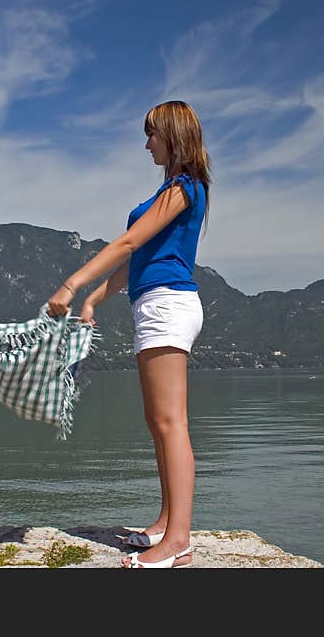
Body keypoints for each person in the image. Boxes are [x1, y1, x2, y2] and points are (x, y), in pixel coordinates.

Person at [47, 100, 210, 568]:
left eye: (152, 135)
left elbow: (128, 243)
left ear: (174, 136)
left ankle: (178, 540)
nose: (146, 144)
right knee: (157, 421)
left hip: (168, 305)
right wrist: (97, 297)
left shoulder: (184, 188)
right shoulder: (170, 192)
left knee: (170, 422)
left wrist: (70, 283)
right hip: (153, 302)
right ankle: (166, 521)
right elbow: (136, 259)